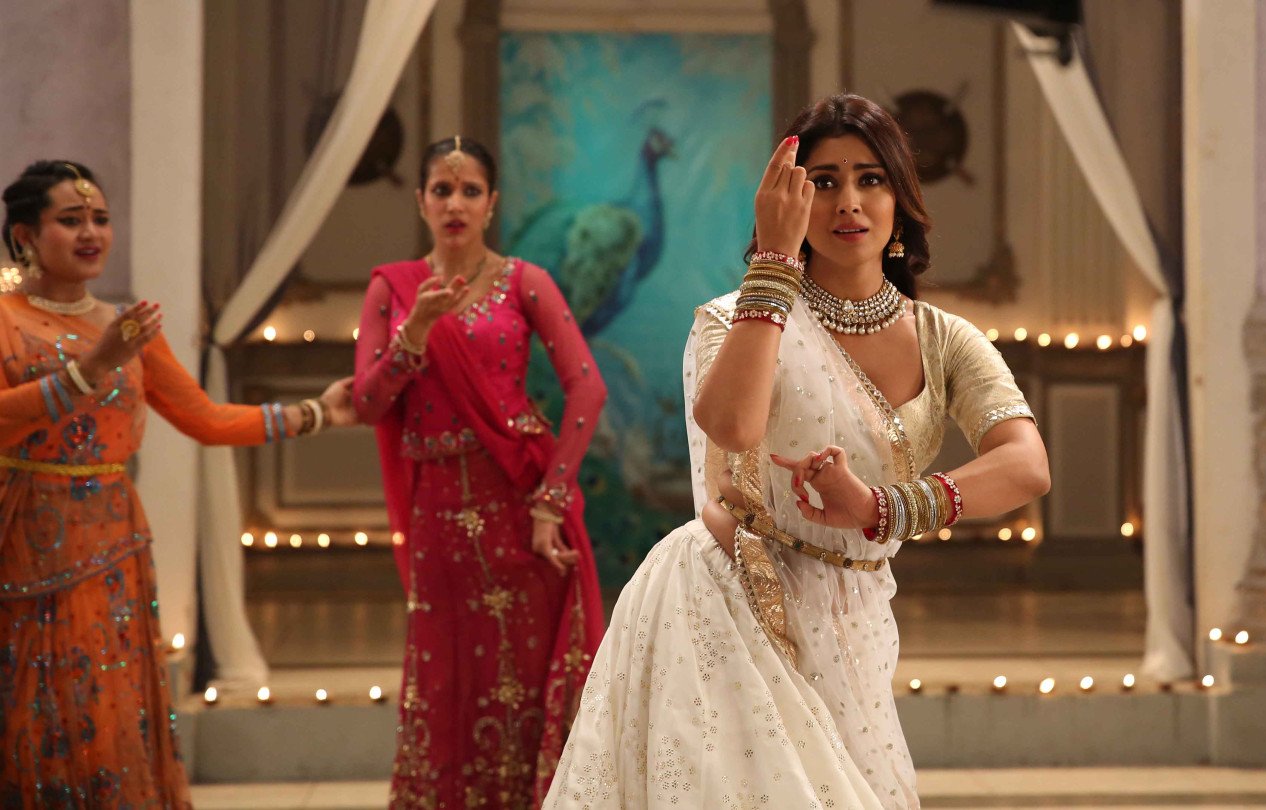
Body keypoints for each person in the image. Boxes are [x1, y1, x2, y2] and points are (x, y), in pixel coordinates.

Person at [543, 94, 1051, 808]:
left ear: (900, 201)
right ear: (790, 200)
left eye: (871, 179)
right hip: (727, 602)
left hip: (858, 614)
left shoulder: (943, 340)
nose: (849, 202)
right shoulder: (734, 319)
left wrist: (881, 507)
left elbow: (1026, 465)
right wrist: (775, 266)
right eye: (823, 181)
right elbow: (732, 426)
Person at [0, 159, 356, 807]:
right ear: (25, 235)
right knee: (37, 702)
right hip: (26, 538)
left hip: (114, 544)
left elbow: (206, 419)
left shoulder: (126, 329)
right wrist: (89, 369)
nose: (92, 233)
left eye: (101, 219)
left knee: (107, 704)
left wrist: (316, 413)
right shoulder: (7, 318)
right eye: (71, 220)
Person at [353, 136, 607, 808]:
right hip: (436, 518)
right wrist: (414, 334)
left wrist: (551, 502)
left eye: (470, 191)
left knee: (524, 682)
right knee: (447, 681)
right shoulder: (392, 288)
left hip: (519, 512)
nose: (455, 204)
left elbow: (588, 388)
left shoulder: (525, 282)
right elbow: (368, 403)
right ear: (421, 201)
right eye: (442, 190)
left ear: (492, 203)